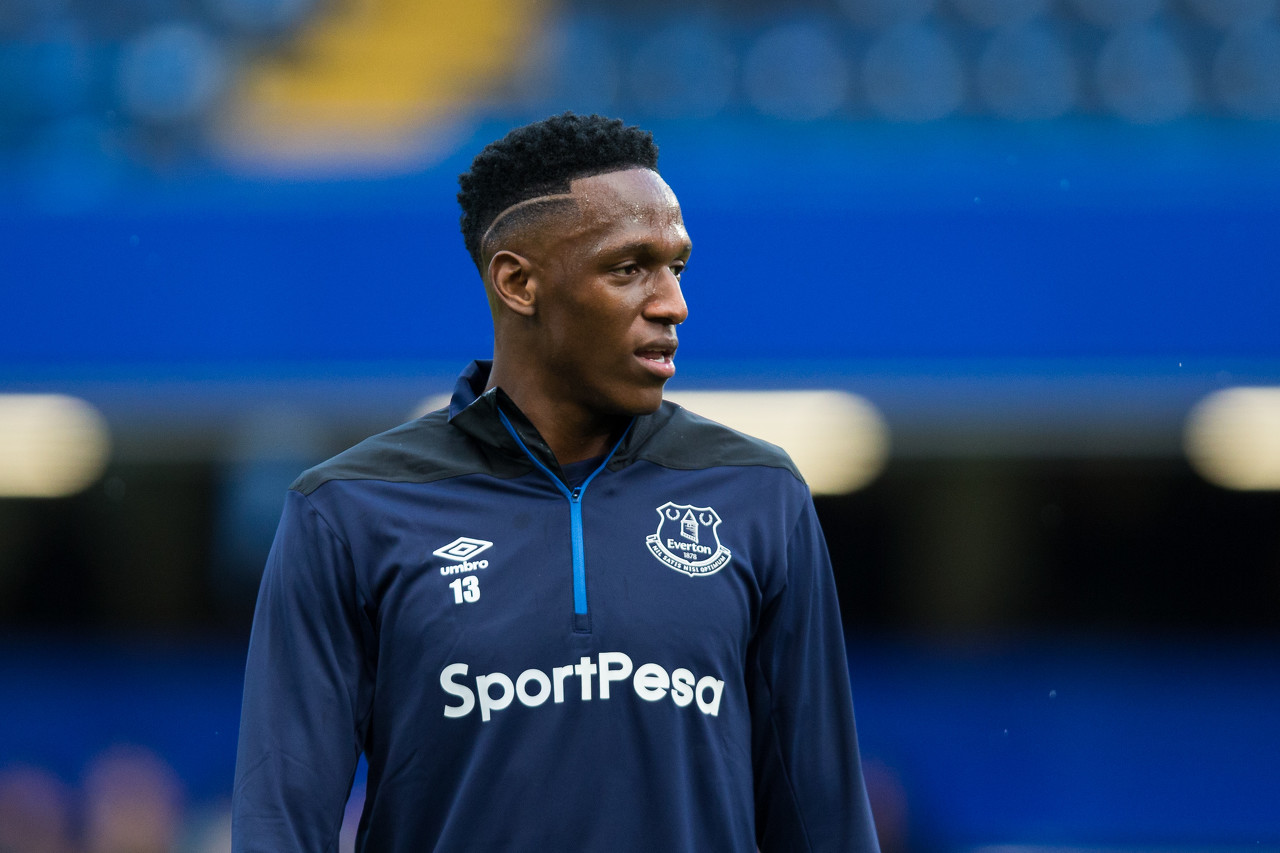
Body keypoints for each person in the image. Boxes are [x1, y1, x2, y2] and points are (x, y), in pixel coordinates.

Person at [232, 112, 880, 852]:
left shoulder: (757, 492)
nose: (672, 303)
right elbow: (280, 822)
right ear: (518, 282)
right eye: (628, 268)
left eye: (676, 267)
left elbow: (825, 821)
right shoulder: (348, 509)